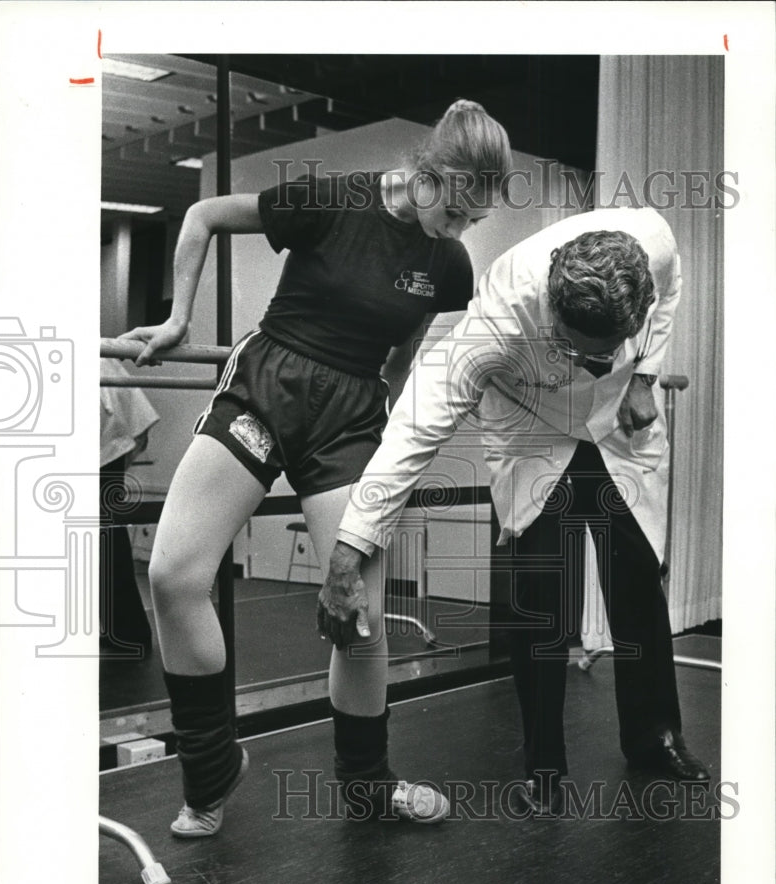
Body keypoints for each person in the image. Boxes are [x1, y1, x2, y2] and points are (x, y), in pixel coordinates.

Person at [118, 100, 513, 835]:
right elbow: (203, 215)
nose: (459, 232)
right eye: (456, 212)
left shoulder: (448, 262)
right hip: (266, 388)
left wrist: (387, 443)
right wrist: (177, 320)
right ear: (429, 175)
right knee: (173, 575)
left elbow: (402, 354)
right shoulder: (332, 198)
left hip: (352, 417)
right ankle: (210, 766)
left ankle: (366, 785)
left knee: (359, 618)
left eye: (473, 220)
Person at [317, 206, 711, 815]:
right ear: (553, 314)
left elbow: (670, 289)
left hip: (615, 426)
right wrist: (349, 551)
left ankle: (655, 736)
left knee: (637, 575)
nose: (592, 364)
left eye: (607, 352)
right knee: (540, 596)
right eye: (581, 353)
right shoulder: (494, 325)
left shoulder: (650, 240)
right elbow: (410, 437)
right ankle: (544, 767)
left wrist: (642, 376)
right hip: (533, 427)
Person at [100, 356, 160, 657]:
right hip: (109, 445)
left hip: (106, 448)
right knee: (107, 541)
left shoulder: (100, 359)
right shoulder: (103, 360)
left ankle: (128, 631)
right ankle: (123, 630)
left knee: (107, 542)